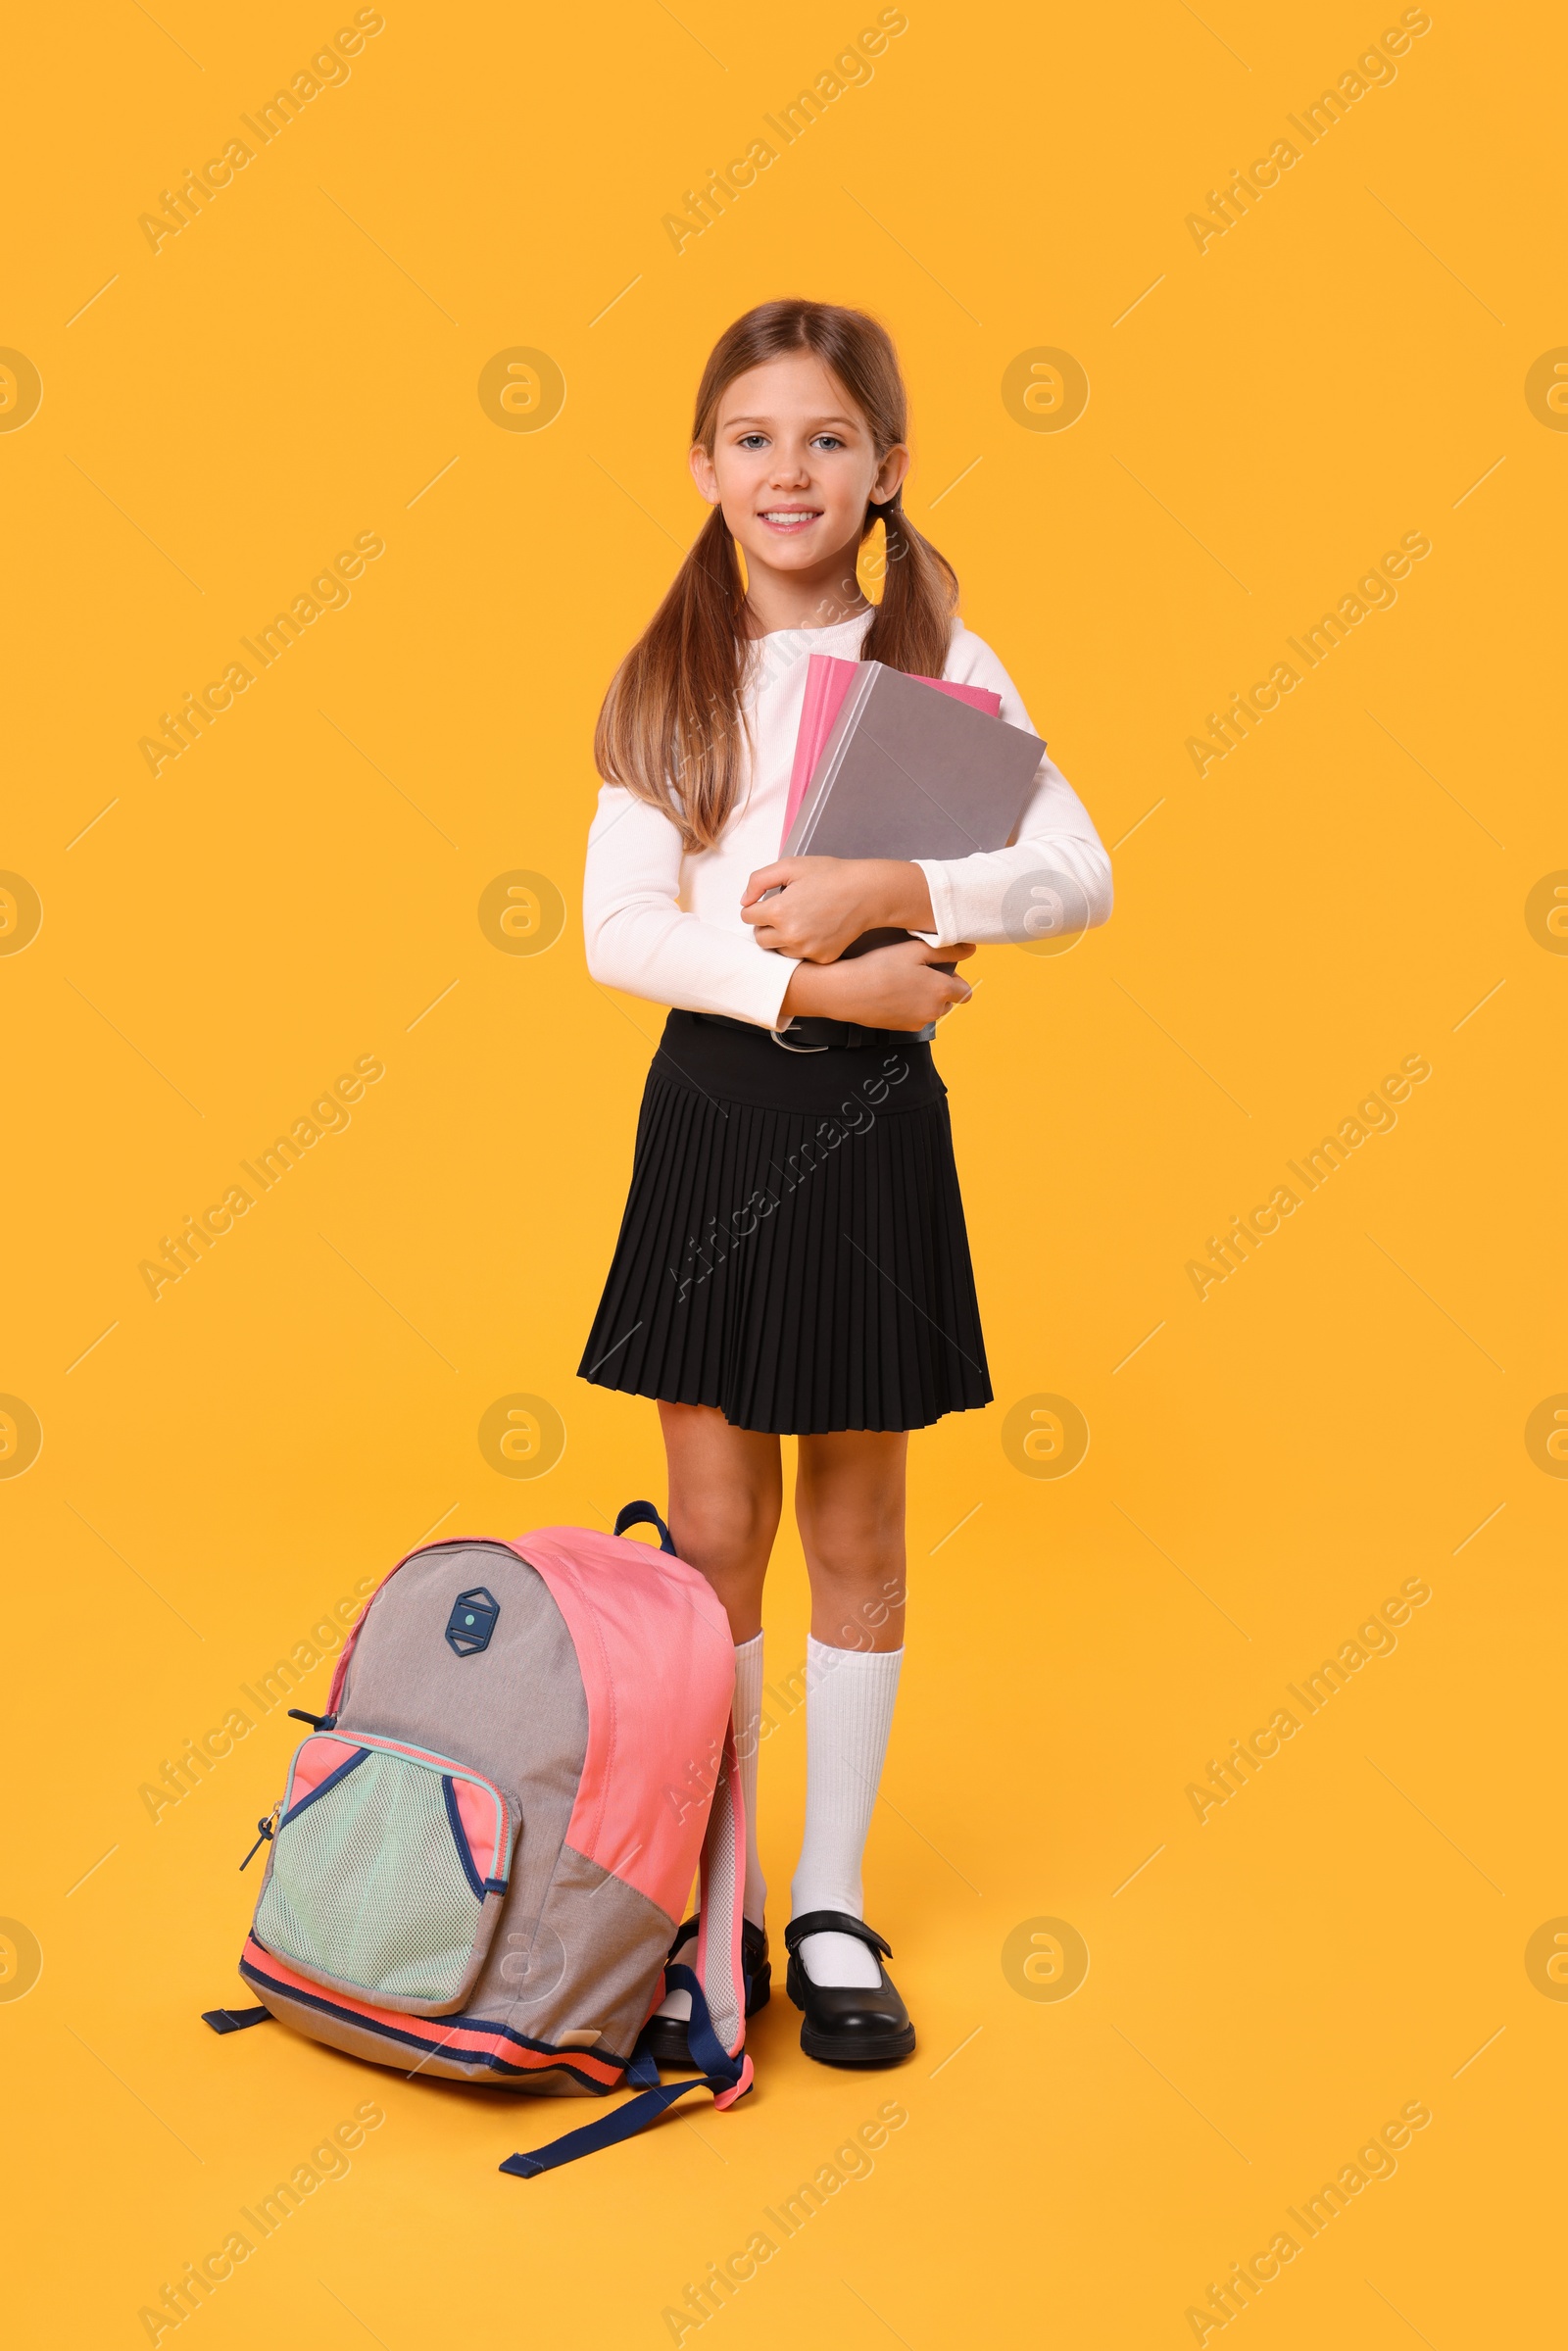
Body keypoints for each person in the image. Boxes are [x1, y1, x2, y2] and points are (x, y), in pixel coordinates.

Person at [578, 298, 1112, 2068]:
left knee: (858, 1531)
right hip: (720, 1115)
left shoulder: (947, 660)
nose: (787, 470)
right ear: (703, 466)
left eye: (825, 439)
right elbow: (619, 934)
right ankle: (713, 1895)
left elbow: (1077, 876)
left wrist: (895, 882)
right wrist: (817, 982)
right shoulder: (671, 673)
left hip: (873, 1129)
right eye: (752, 438)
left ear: (886, 467)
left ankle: (826, 1897)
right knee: (715, 1537)